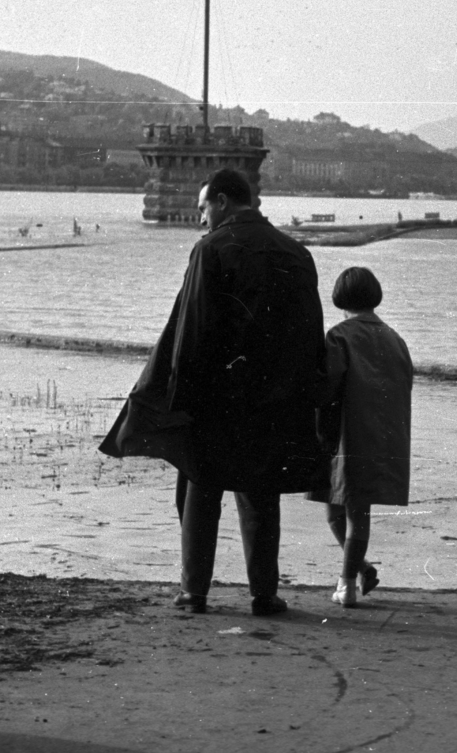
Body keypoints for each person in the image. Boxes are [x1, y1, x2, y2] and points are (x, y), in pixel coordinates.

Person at [98, 168, 326, 617]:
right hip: (273, 398)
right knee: (261, 493)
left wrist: (179, 401)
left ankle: (194, 592)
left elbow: (192, 331)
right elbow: (309, 335)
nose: (201, 219)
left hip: (217, 396)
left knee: (200, 489)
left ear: (221, 201)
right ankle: (265, 594)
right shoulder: (297, 252)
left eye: (203, 208)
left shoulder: (211, 249)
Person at [308, 266, 412, 608]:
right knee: (351, 512)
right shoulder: (395, 338)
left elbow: (326, 388)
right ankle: (360, 570)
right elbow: (404, 385)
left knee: (343, 513)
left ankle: (347, 585)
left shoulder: (339, 335)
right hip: (384, 435)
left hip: (346, 436)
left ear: (340, 298)